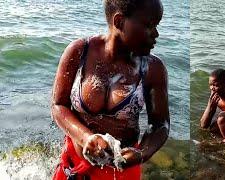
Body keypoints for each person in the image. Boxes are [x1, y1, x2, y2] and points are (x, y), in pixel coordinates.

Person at [51, 0, 169, 179]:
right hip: (74, 162)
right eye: (149, 25)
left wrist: (141, 154)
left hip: (121, 171)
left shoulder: (152, 69)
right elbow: (59, 105)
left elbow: (160, 125)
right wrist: (85, 138)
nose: (156, 34)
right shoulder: (79, 52)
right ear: (119, 22)